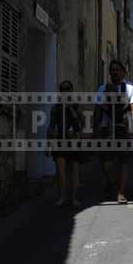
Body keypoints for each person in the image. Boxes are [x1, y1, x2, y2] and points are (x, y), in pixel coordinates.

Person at [96, 60, 133, 204]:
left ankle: (121, 192)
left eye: (117, 70)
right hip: (106, 128)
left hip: (123, 127)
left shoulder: (129, 88)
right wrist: (93, 127)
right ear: (109, 72)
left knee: (122, 161)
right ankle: (112, 182)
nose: (114, 72)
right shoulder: (102, 89)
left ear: (123, 72)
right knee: (105, 160)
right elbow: (97, 108)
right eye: (112, 70)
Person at [47, 80, 83, 208]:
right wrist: (48, 143)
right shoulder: (55, 108)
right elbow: (51, 126)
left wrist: (70, 109)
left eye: (68, 89)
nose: (65, 91)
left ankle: (73, 198)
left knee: (75, 171)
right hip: (60, 141)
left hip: (73, 140)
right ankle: (62, 197)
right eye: (63, 89)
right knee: (60, 171)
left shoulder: (76, 106)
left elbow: (80, 124)